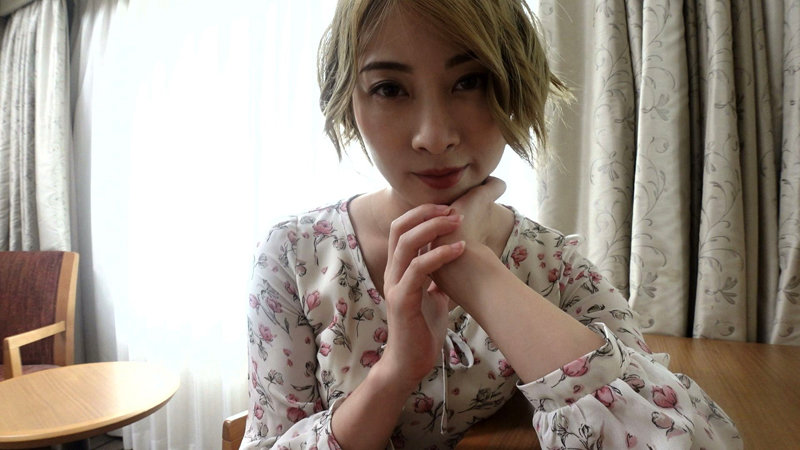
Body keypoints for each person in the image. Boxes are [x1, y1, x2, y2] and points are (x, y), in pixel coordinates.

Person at [241, 0, 742, 448]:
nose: (434, 137)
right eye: (389, 89)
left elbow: (689, 438)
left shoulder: (552, 267)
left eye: (470, 81)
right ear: (348, 101)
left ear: (514, 84)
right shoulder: (296, 256)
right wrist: (394, 372)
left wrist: (475, 271)